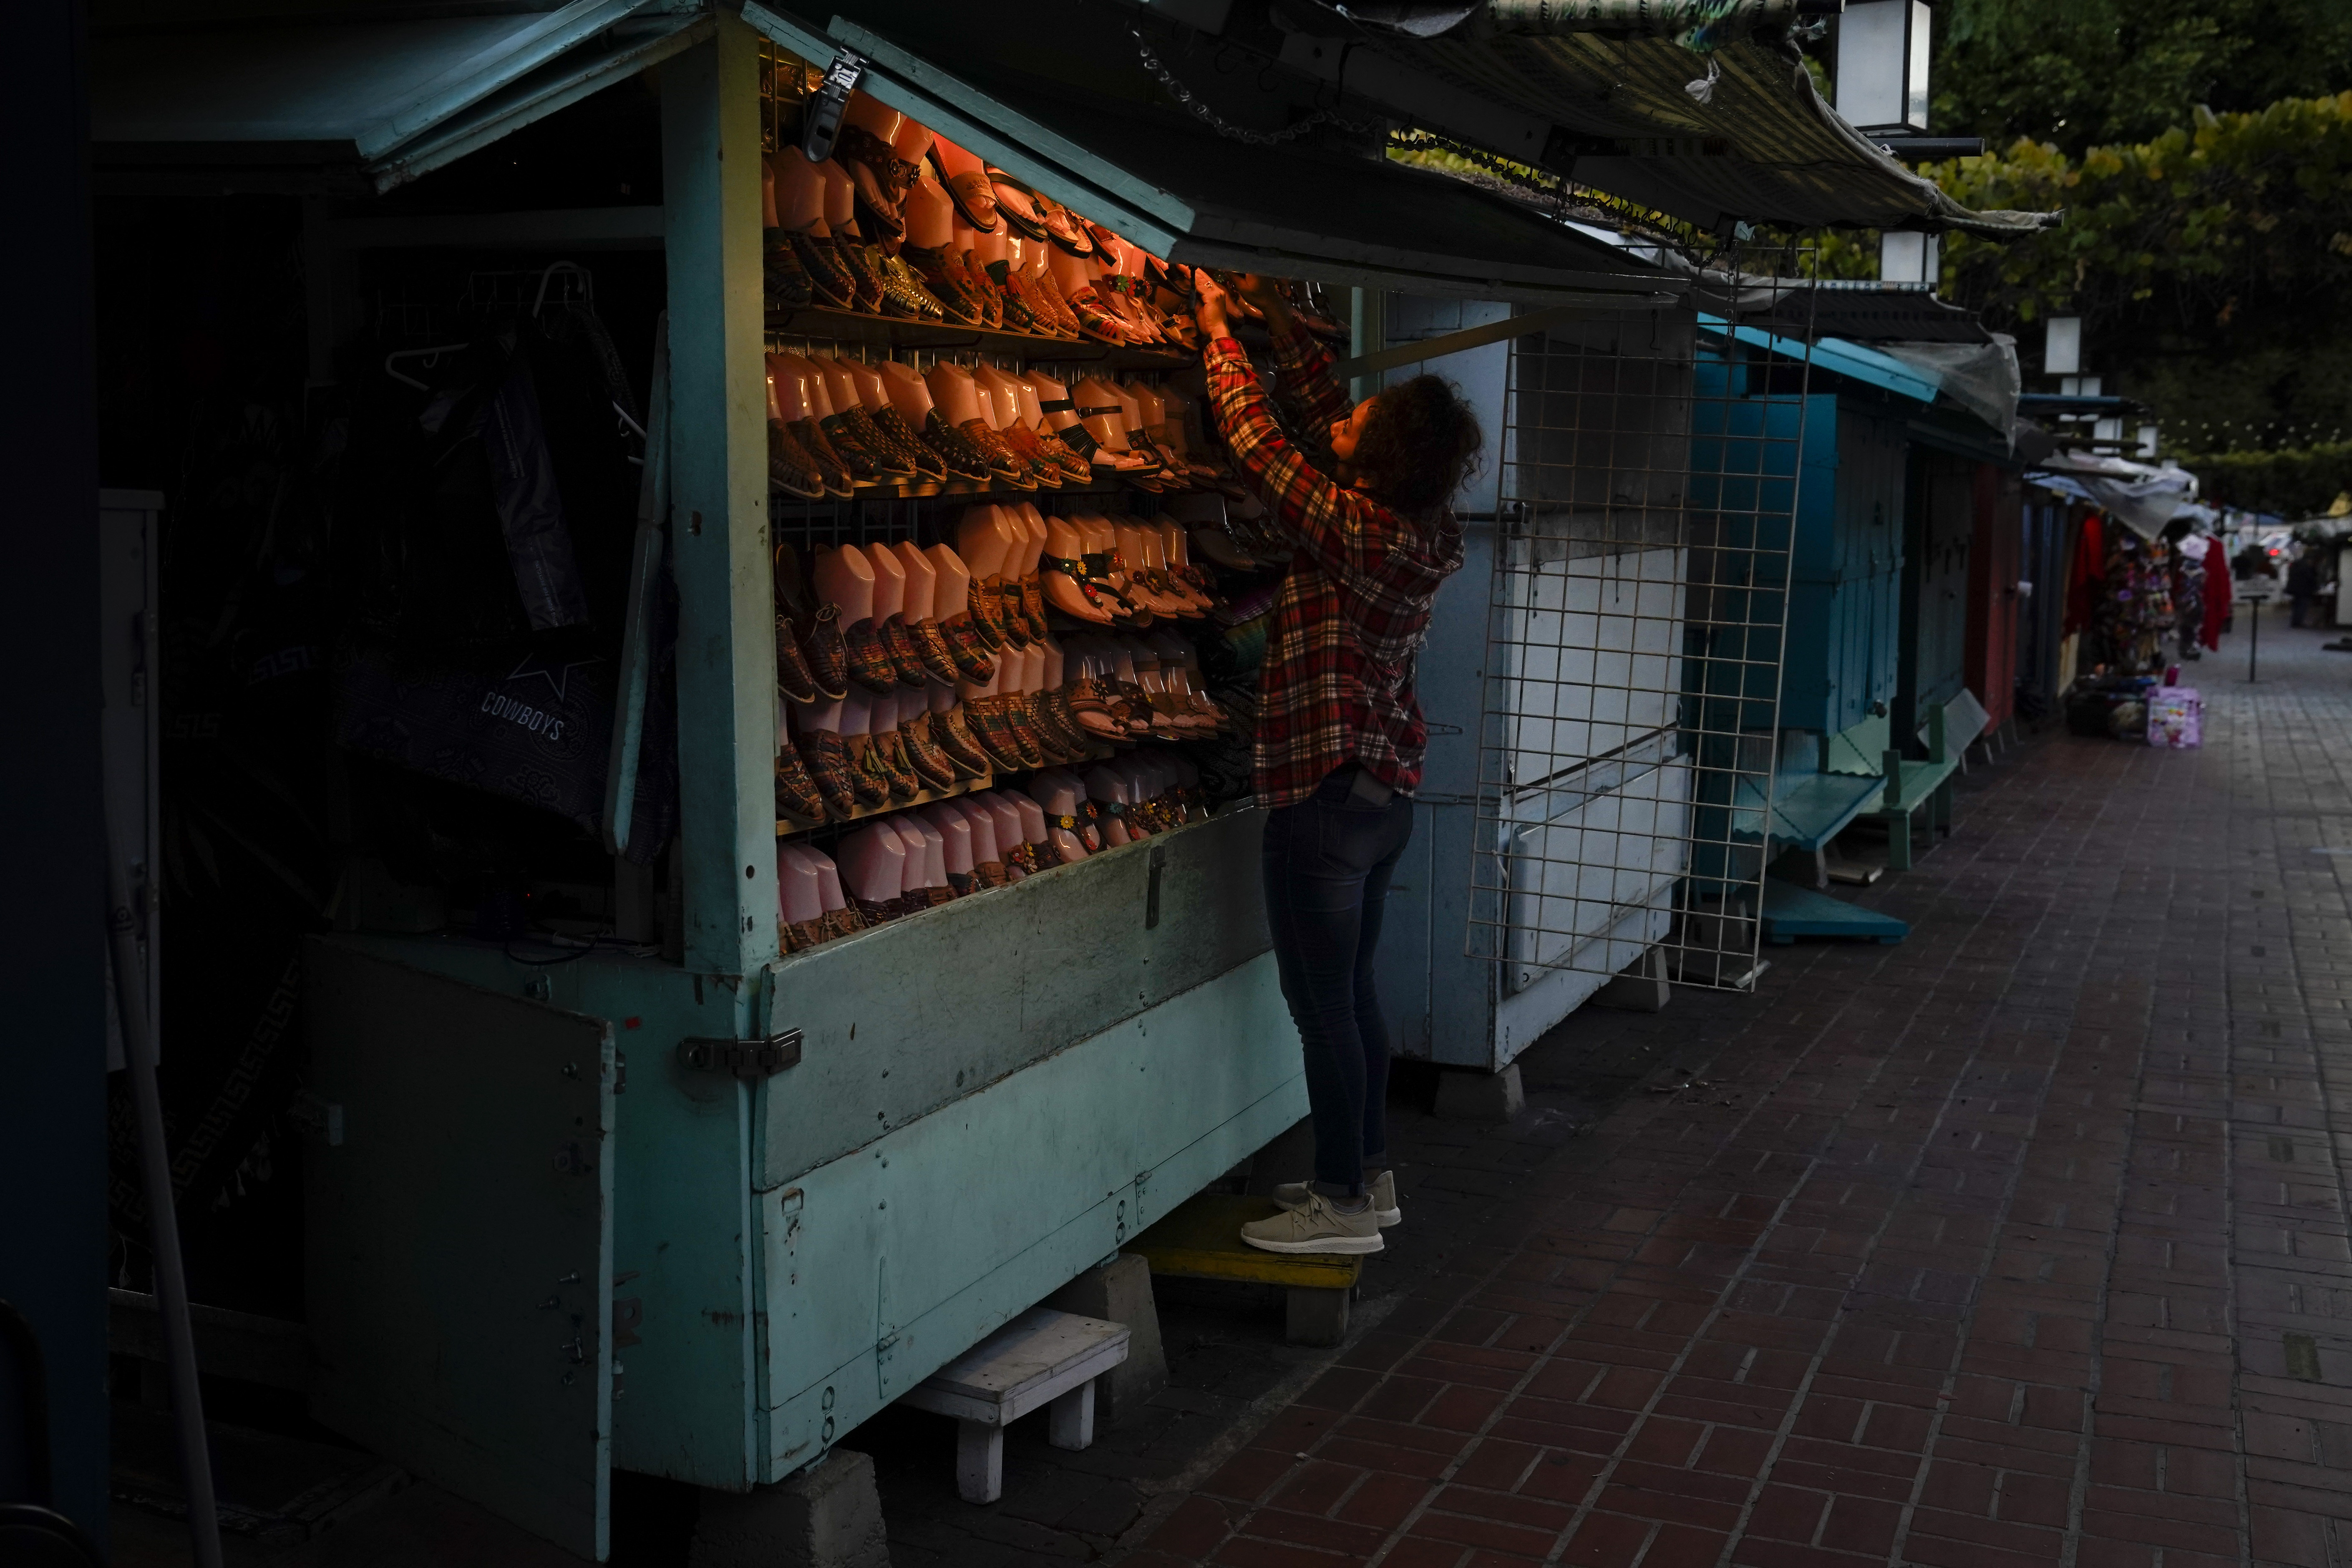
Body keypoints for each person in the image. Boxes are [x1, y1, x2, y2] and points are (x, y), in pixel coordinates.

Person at [1191, 272, 1481, 1256]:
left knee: (1320, 1012)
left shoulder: (1355, 530)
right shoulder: (1415, 526)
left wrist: (1219, 337)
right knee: (1352, 995)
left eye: (1370, 417)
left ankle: (1339, 1204)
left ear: (1381, 455)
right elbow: (1320, 427)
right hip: (1379, 796)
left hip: (1321, 802)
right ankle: (1371, 1174)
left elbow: (1264, 451)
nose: (1348, 413)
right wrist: (1277, 317)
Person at [2288, 546, 2322, 628]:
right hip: (2304, 590)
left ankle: (2295, 622)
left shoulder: (2298, 564)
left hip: (2296, 589)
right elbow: (2310, 578)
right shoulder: (2307, 566)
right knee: (2302, 606)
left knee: (2297, 606)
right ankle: (2298, 623)